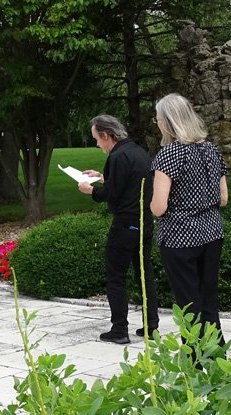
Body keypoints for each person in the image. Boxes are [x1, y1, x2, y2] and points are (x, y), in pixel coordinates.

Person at [151, 93, 228, 348]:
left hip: (180, 238)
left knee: (188, 305)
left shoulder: (169, 154)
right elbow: (223, 198)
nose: (157, 122)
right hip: (212, 233)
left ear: (167, 121)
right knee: (208, 301)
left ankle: (193, 367)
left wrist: (152, 204)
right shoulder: (211, 149)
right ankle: (218, 364)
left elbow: (159, 207)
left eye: (158, 118)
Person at [78, 115, 160, 344]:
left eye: (97, 139)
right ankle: (151, 326)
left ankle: (119, 329)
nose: (97, 144)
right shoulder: (137, 151)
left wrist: (90, 191)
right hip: (144, 221)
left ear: (106, 135)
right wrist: (103, 176)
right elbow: (127, 183)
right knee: (145, 273)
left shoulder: (116, 156)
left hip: (125, 223)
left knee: (116, 276)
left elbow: (111, 193)